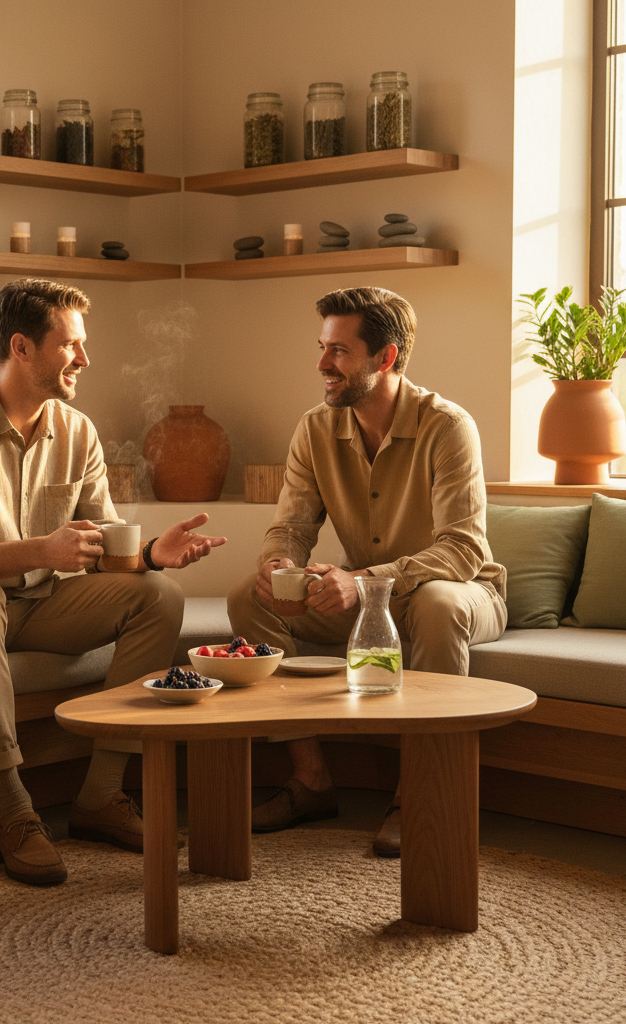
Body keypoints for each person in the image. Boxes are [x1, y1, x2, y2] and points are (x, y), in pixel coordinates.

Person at [0, 278, 226, 887]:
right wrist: (42, 549)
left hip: (35, 603)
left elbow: (97, 550)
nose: (84, 360)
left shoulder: (77, 431)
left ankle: (99, 797)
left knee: (157, 597)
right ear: (22, 347)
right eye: (71, 345)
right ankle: (14, 811)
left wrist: (148, 554)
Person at [227, 285, 506, 856]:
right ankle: (310, 780)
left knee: (438, 604)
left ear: (387, 357)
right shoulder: (314, 429)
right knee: (248, 599)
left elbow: (462, 549)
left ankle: (421, 795)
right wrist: (278, 565)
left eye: (340, 351)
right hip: (371, 598)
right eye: (323, 347)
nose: (323, 364)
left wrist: (364, 581)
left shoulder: (449, 427)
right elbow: (292, 528)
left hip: (457, 593)